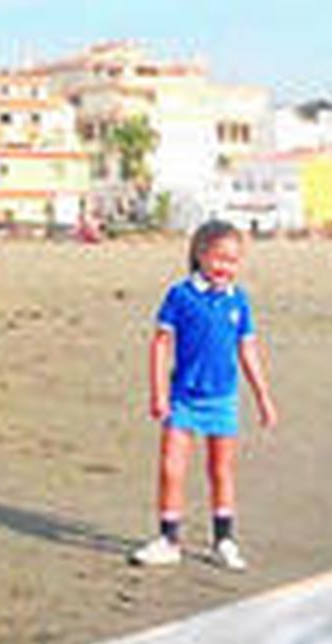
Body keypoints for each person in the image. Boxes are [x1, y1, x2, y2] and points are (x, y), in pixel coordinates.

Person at [131, 220, 278, 571]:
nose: (226, 267)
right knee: (171, 469)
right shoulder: (180, 295)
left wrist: (263, 397)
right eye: (220, 258)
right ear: (200, 254)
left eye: (234, 261)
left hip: (222, 398)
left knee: (221, 470)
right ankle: (168, 539)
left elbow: (248, 350)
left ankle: (224, 540)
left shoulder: (238, 300)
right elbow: (161, 344)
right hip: (183, 396)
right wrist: (158, 393)